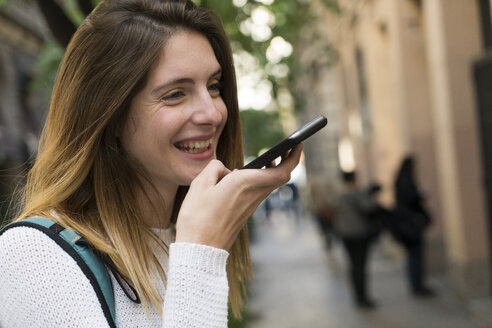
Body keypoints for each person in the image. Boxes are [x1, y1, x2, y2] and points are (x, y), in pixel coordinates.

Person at [0, 1, 302, 327]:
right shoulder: (33, 259)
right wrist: (201, 254)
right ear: (110, 117)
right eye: (175, 94)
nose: (213, 113)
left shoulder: (177, 238)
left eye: (214, 86)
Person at [333, 171, 378, 309]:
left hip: (345, 233)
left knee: (353, 265)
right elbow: (368, 207)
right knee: (360, 265)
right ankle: (362, 297)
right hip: (358, 233)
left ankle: (358, 297)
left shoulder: (340, 194)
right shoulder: (356, 193)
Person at [394, 155, 435, 297]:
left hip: (406, 224)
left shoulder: (400, 180)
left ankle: (416, 285)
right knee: (416, 256)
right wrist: (420, 194)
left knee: (413, 256)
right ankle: (418, 286)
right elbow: (411, 200)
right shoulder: (406, 182)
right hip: (411, 224)